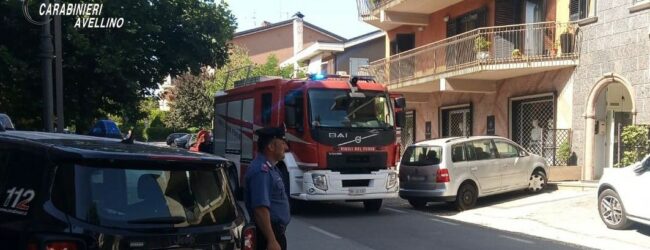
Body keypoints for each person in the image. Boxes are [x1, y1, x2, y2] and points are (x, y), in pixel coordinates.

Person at [245, 127, 290, 250]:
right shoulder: (261, 171)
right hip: (266, 235)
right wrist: (271, 240)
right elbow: (260, 209)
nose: (286, 147)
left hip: (274, 233)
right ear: (271, 147)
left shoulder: (271, 168)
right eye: (282, 143)